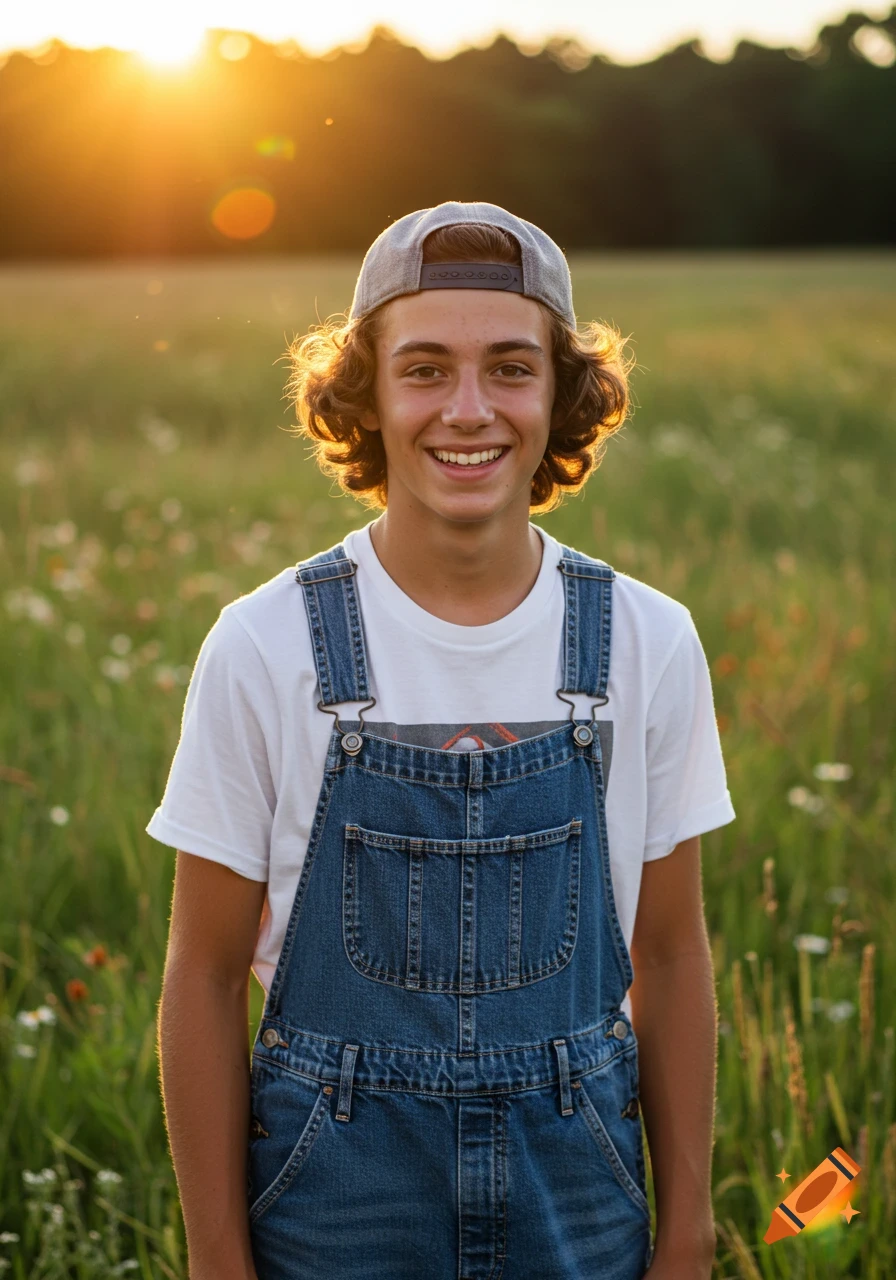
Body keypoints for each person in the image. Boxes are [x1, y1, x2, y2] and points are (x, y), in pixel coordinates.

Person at [150, 201, 736, 1280]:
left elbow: (666, 952)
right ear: (364, 393)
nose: (467, 410)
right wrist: (217, 1259)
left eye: (509, 367)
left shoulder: (646, 640)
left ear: (560, 393)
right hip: (329, 1198)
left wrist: (688, 1227)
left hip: (579, 1187)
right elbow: (204, 968)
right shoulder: (264, 641)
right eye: (424, 368)